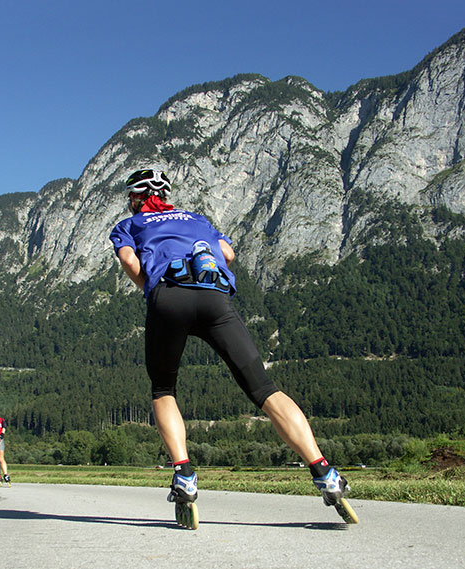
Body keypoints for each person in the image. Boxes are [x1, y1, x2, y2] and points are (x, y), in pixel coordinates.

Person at [109, 169, 352, 520]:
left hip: (168, 298)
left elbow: (130, 260)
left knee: (164, 389)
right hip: (214, 298)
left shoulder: (128, 225)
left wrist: (152, 288)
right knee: (264, 389)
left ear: (135, 198)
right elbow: (228, 253)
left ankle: (184, 475)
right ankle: (324, 471)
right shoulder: (195, 218)